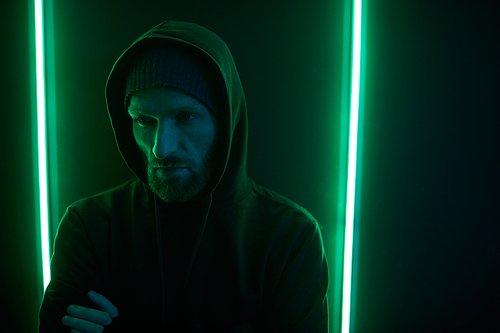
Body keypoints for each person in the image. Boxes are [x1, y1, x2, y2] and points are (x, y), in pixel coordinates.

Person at [39, 20, 329, 332]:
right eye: (144, 120)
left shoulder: (289, 236)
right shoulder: (89, 226)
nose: (161, 148)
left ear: (225, 121)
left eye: (186, 117)